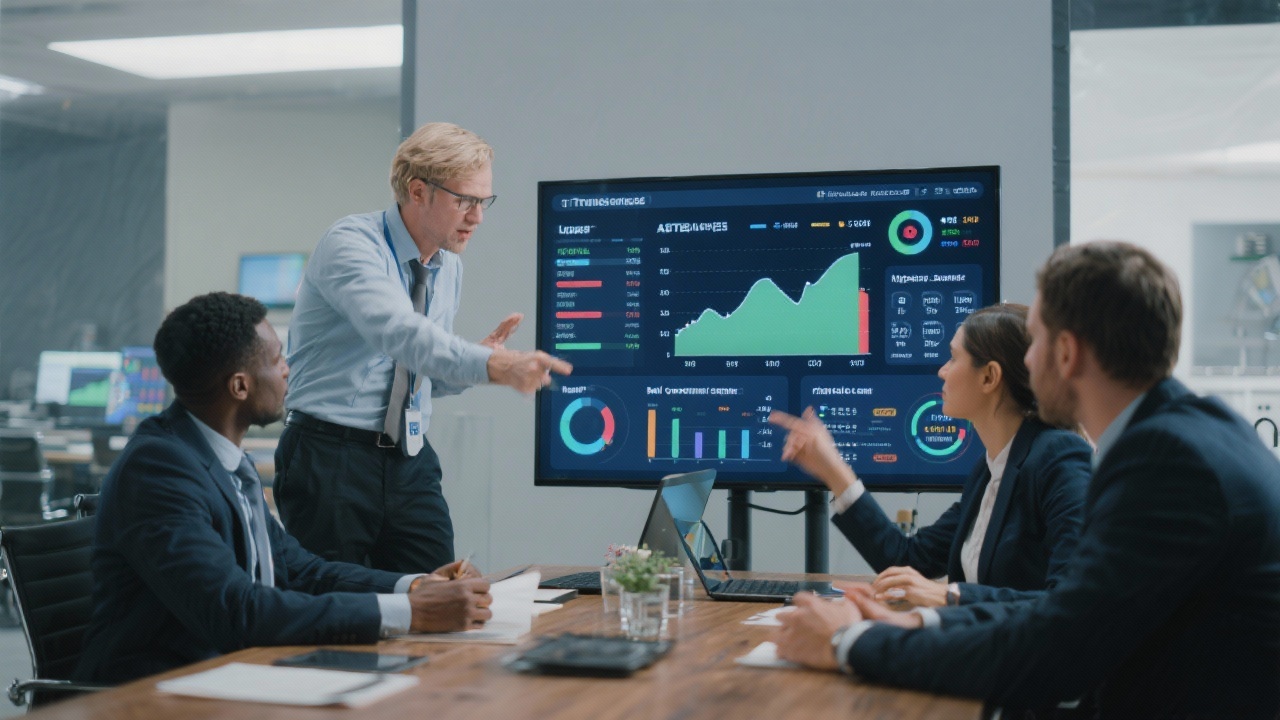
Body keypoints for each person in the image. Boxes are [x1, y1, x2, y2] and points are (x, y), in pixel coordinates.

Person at [773, 242, 1280, 719]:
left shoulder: (1164, 462)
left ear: (1067, 352)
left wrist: (849, 642)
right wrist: (919, 621)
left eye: (1034, 341)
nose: (1028, 361)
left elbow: (1061, 646)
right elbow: (1069, 615)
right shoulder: (1191, 435)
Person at [75, 293, 493, 684]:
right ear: (240, 386)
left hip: (232, 674)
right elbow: (236, 611)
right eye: (277, 359)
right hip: (153, 692)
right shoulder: (158, 471)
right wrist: (411, 613)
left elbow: (299, 570)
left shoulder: (220, 457)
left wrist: (415, 586)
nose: (287, 368)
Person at [275, 122, 571, 572]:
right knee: (337, 601)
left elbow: (418, 374)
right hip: (330, 456)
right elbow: (399, 334)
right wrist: (491, 365)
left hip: (409, 459)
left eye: (484, 201)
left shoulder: (448, 266)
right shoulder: (350, 245)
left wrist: (474, 363)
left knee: (441, 593)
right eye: (465, 201)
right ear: (418, 191)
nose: (478, 217)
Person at [770, 303, 1091, 607]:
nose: (942, 371)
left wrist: (950, 596)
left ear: (989, 377)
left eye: (953, 358)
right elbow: (909, 560)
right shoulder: (989, 471)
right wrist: (833, 470)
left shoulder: (1059, 457)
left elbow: (1073, 602)